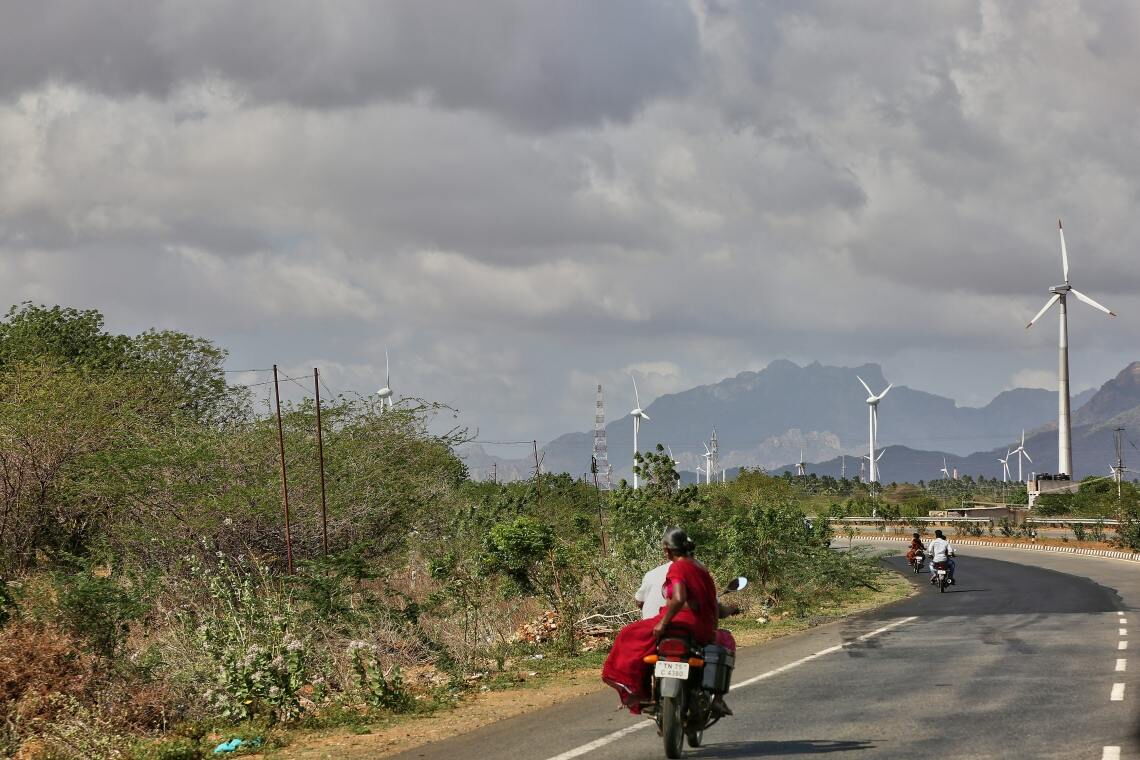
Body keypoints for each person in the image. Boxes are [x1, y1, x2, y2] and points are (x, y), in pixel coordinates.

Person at [602, 528, 725, 715]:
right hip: (704, 626)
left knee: (628, 635)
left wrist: (663, 623)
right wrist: (715, 627)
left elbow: (678, 598)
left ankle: (636, 691)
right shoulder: (700, 568)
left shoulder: (677, 567)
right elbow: (712, 604)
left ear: (667, 550)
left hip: (682, 622)